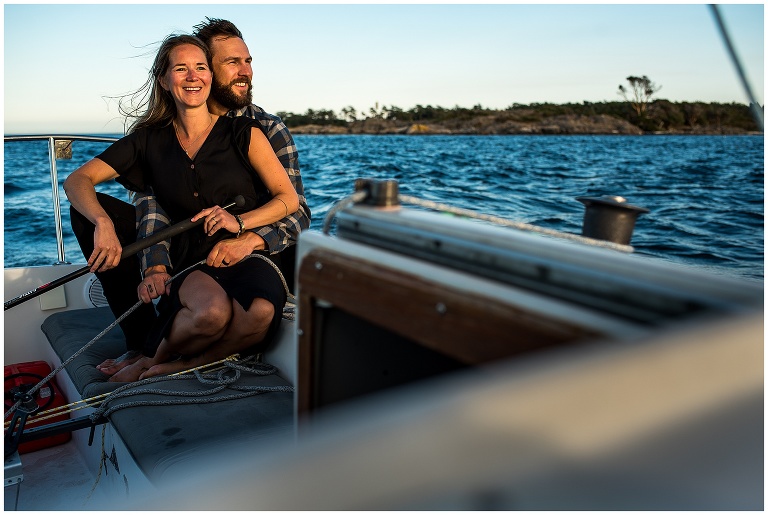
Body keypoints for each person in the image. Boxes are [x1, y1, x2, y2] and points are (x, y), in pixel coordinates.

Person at [80, 18, 310, 376]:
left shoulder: (263, 128)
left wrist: (248, 238)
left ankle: (177, 355)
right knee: (90, 213)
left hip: (255, 244)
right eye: (231, 62)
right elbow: (152, 207)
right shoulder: (156, 137)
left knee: (261, 301)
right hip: (187, 242)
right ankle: (142, 340)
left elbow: (297, 211)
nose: (245, 71)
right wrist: (154, 264)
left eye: (248, 61)